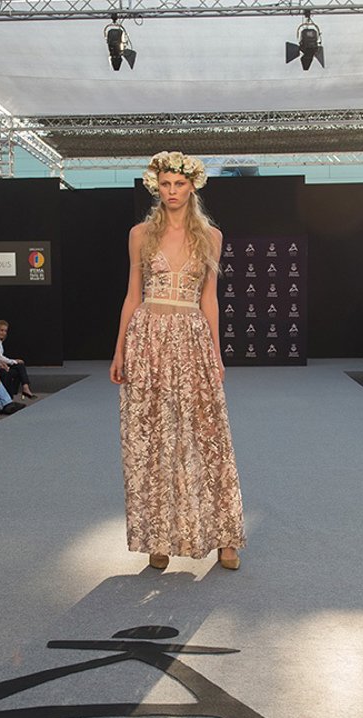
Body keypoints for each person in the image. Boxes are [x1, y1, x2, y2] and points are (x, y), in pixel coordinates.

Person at [110, 150, 244, 571]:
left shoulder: (211, 236)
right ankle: (159, 536)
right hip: (148, 339)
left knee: (208, 435)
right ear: (156, 187)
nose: (172, 191)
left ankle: (225, 538)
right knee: (152, 439)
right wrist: (119, 349)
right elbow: (132, 295)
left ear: (192, 187)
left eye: (179, 184)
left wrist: (216, 354)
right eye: (165, 184)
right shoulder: (139, 234)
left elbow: (210, 300)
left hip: (191, 339)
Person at [0, 320, 36, 400]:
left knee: (19, 369)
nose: (3, 333)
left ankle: (24, 387)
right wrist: (14, 361)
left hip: (2, 364)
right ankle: (24, 388)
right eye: (2, 330)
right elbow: (0, 357)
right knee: (18, 366)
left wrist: (14, 361)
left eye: (5, 331)